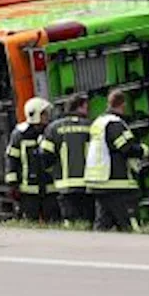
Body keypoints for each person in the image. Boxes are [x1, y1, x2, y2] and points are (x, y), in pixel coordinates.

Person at [85, 89, 149, 231]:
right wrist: (146, 150)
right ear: (123, 104)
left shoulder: (98, 122)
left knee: (102, 227)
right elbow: (127, 149)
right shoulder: (115, 124)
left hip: (98, 183)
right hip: (117, 184)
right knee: (130, 225)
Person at [38, 95, 95, 227]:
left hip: (65, 185)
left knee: (70, 223)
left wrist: (52, 171)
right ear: (80, 107)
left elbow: (45, 155)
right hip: (89, 184)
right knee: (89, 221)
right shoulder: (91, 126)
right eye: (86, 106)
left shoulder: (53, 128)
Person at [4, 96, 60, 222]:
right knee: (30, 223)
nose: (47, 116)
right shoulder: (19, 134)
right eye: (44, 113)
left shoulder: (50, 131)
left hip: (50, 188)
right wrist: (12, 185)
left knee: (53, 223)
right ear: (35, 114)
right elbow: (11, 159)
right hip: (28, 191)